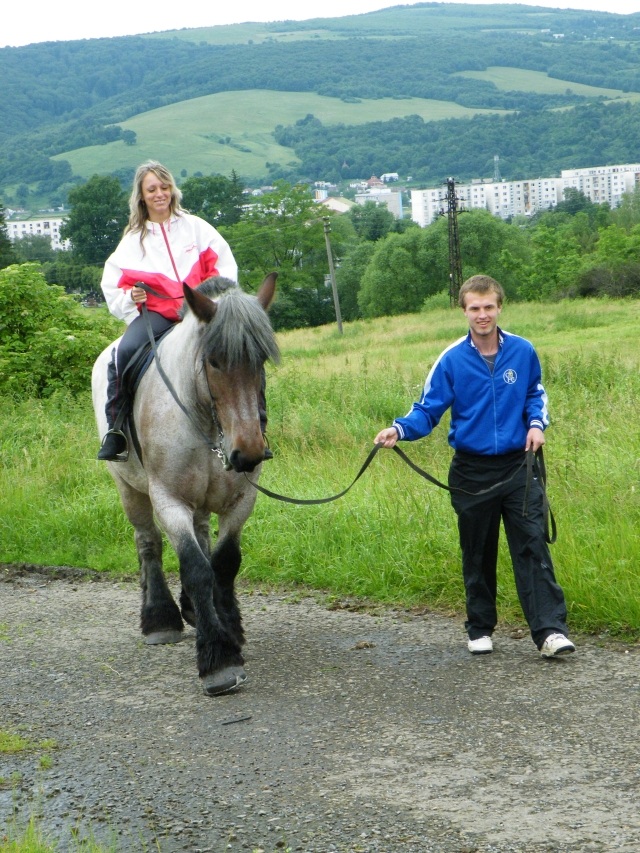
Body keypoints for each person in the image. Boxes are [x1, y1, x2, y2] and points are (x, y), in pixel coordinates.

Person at [373, 275, 575, 660]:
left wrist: (536, 424)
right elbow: (427, 410)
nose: (482, 315)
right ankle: (480, 628)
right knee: (477, 551)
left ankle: (550, 632)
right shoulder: (452, 359)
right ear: (464, 311)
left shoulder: (523, 351)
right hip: (471, 472)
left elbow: (535, 394)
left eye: (489, 307)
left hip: (518, 467)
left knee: (532, 545)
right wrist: (399, 429)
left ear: (499, 307)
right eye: (474, 308)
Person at [97, 160, 270, 461]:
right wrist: (130, 297)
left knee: (245, 354)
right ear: (141, 196)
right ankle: (116, 430)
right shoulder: (132, 242)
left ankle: (260, 423)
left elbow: (224, 267)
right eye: (152, 189)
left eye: (164, 187)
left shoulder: (197, 228)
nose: (159, 194)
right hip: (158, 315)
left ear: (172, 190)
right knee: (124, 353)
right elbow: (112, 285)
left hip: (203, 313)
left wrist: (216, 302)